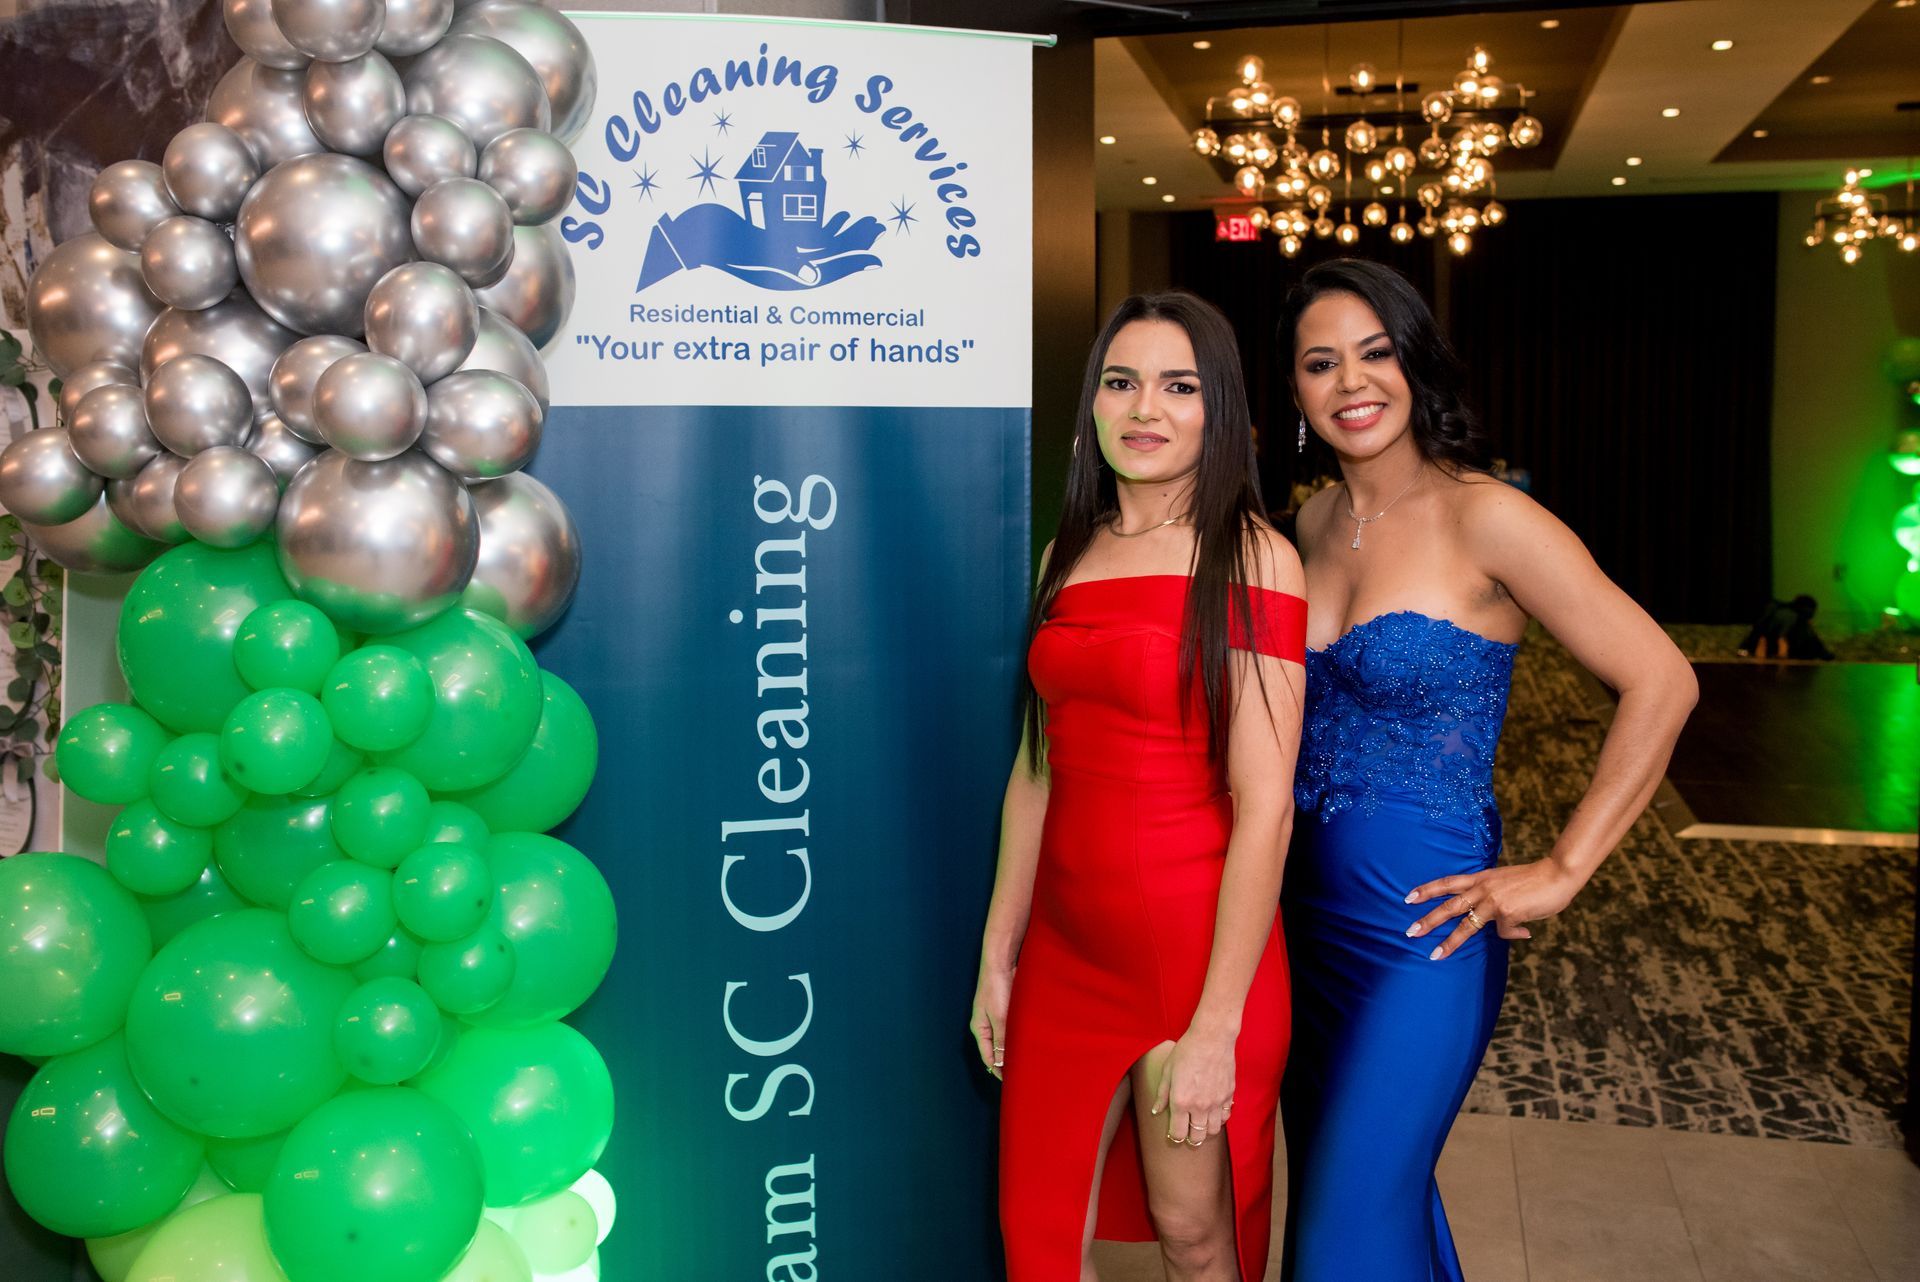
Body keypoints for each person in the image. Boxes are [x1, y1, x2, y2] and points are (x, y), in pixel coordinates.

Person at [1275, 258, 1697, 1282]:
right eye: (1320, 363)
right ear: (1293, 390)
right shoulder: (1308, 524)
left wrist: (1562, 868)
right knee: (1368, 1205)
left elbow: (1663, 679)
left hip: (1428, 928)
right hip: (1300, 926)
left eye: (1375, 353)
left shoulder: (1488, 516)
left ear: (1416, 363)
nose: (1351, 382)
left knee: (1340, 1234)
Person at [972, 291, 1307, 1282]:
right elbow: (1035, 771)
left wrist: (1218, 1023)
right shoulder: (1063, 556)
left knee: (1196, 1233)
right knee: (1036, 1236)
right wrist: (1000, 952)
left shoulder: (1254, 558)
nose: (1145, 408)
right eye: (1122, 382)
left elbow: (1268, 806)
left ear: (1220, 410)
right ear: (1091, 408)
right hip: (1067, 955)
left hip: (1194, 956)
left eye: (1178, 384)